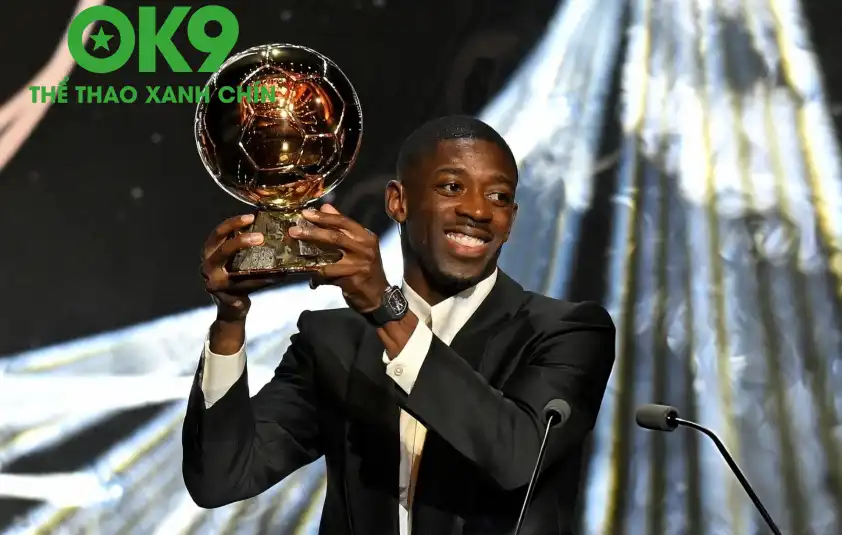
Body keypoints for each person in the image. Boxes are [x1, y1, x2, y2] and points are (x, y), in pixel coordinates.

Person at [183, 115, 616, 535]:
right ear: (398, 202)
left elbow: (518, 457)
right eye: (452, 187)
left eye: (499, 197)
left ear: (511, 222)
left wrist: (384, 306)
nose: (478, 210)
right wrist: (229, 320)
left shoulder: (568, 332)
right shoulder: (332, 341)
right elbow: (221, 479)